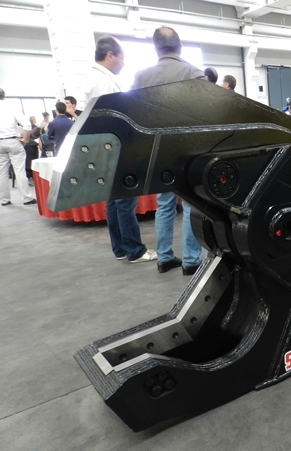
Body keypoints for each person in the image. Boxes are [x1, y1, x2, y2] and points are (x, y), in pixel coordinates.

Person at [132, 26, 204, 276]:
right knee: (191, 205)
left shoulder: (141, 77)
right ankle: (191, 260)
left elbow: (135, 115)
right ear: (180, 46)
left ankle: (164, 257)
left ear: (155, 48)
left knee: (164, 204)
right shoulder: (193, 73)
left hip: (157, 150)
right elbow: (206, 115)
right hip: (188, 150)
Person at [82, 35, 156, 264]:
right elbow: (113, 118)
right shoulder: (103, 82)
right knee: (124, 201)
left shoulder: (95, 78)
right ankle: (135, 250)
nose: (123, 63)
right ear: (110, 55)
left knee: (114, 202)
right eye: (122, 58)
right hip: (114, 147)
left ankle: (121, 248)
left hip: (104, 147)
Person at [0, 87, 36, 206]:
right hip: (13, 140)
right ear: (4, 96)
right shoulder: (11, 106)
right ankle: (26, 198)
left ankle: (4, 199)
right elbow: (27, 125)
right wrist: (25, 139)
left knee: (1, 172)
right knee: (19, 170)